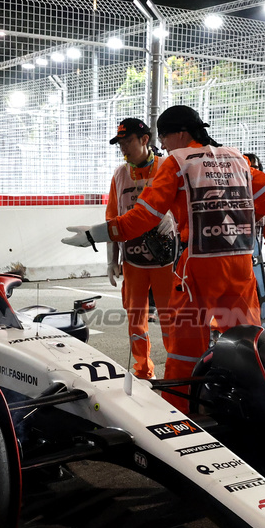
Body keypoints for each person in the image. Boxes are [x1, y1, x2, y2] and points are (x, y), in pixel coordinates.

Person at [62, 105, 265, 409]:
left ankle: (179, 412)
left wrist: (95, 235)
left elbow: (144, 217)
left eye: (165, 137)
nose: (163, 145)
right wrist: (229, 215)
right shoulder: (237, 159)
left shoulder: (177, 162)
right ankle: (253, 406)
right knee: (245, 342)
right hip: (240, 266)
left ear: (179, 133)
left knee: (184, 350)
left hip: (197, 268)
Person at [105, 118, 176, 378]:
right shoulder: (119, 174)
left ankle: (176, 370)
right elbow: (112, 218)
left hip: (166, 260)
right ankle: (143, 370)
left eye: (128, 142)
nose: (123, 148)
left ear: (144, 140)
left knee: (171, 319)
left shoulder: (166, 168)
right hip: (133, 260)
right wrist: (111, 260)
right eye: (120, 143)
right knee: (135, 321)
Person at [245, 152, 265, 326]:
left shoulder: (263, 196)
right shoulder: (232, 193)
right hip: (235, 256)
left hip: (255, 258)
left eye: (256, 168)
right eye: (250, 168)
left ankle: (259, 330)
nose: (253, 171)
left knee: (259, 294)